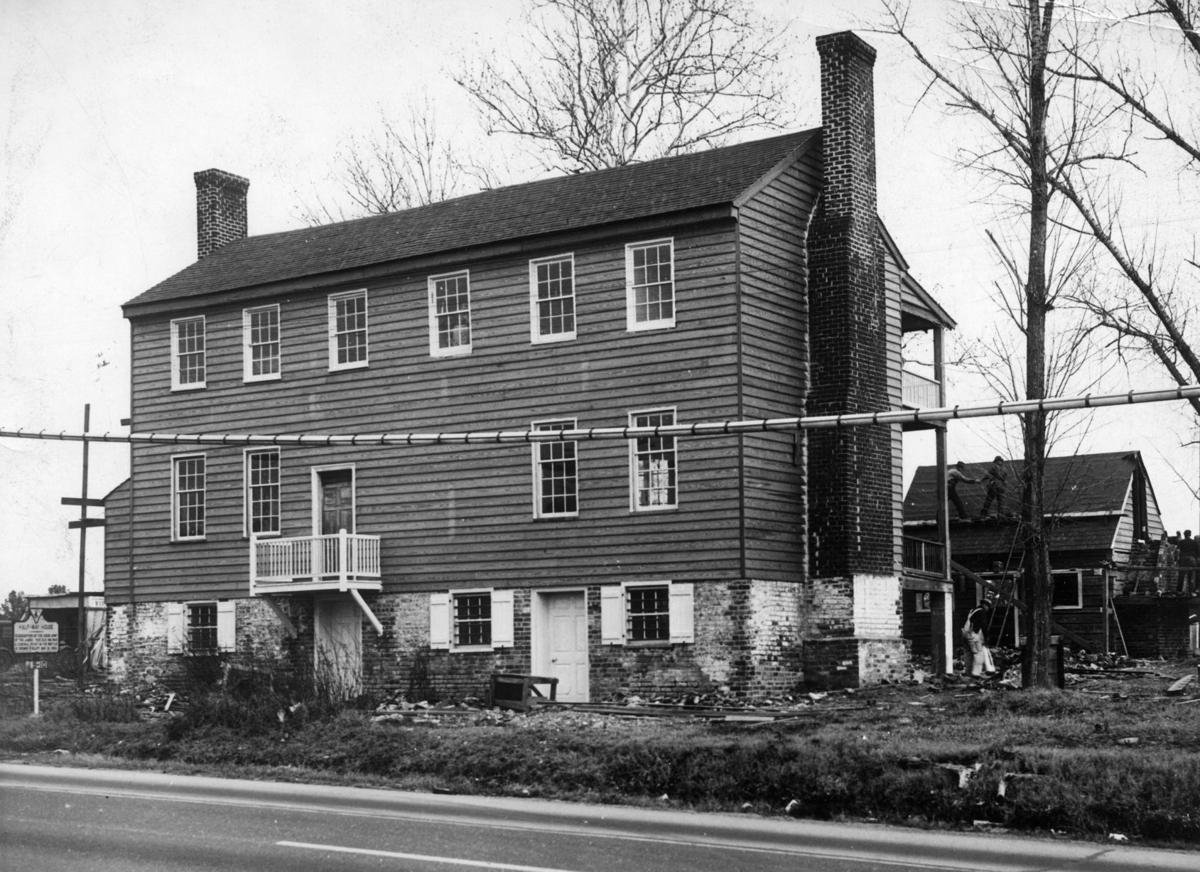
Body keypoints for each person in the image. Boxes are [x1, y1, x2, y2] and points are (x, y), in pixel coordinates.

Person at [962, 599, 997, 678]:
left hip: (965, 633)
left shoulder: (973, 610)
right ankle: (976, 673)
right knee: (979, 653)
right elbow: (984, 626)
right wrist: (986, 637)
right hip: (972, 634)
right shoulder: (982, 612)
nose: (988, 609)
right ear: (985, 605)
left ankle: (968, 672)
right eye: (988, 607)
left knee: (968, 654)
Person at [1178, 530, 1199, 595]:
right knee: (1192, 575)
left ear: (1184, 535)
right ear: (1190, 534)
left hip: (1183, 559)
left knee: (1181, 575)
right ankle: (1192, 591)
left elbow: (1178, 551)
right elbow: (1198, 552)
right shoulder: (1194, 542)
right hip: (1192, 559)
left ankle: (1179, 591)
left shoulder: (1181, 542)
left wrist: (1178, 560)